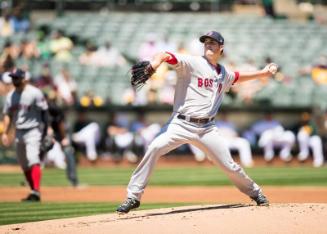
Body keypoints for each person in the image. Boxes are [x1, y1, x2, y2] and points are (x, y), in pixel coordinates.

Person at [116, 31, 277, 213]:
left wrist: (263, 73)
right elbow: (166, 55)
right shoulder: (192, 63)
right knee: (154, 148)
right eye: (206, 42)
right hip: (180, 124)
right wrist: (155, 62)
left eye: (213, 42)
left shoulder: (223, 73)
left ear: (221, 48)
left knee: (229, 165)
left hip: (207, 129)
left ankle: (256, 193)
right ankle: (133, 196)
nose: (208, 44)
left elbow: (237, 77)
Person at [1, 68, 49, 202]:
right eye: (13, 78)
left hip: (33, 130)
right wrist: (5, 132)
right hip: (19, 131)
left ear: (23, 79)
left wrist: (45, 131)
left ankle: (36, 191)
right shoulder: (11, 96)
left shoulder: (35, 93)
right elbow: (8, 115)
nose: (14, 80)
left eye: (16, 78)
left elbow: (44, 112)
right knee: (23, 164)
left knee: (33, 158)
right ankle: (33, 190)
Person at [190, 114, 254, 167]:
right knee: (216, 143)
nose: (224, 116)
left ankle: (247, 162)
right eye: (223, 115)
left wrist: (235, 136)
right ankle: (216, 160)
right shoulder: (216, 123)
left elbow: (236, 133)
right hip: (223, 140)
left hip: (232, 139)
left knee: (243, 142)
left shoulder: (231, 123)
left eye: (226, 115)